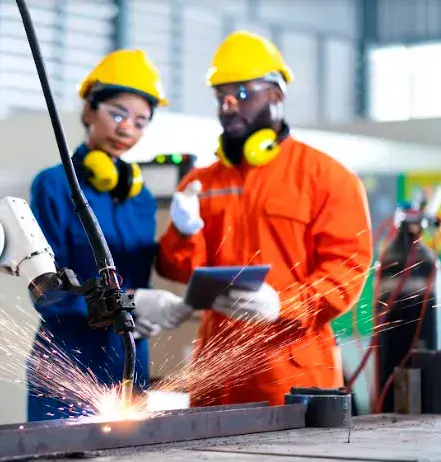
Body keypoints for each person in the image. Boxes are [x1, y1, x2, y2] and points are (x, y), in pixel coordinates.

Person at [148, 30, 373, 407]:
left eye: (242, 93)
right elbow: (179, 270)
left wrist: (284, 305)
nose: (229, 105)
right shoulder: (200, 183)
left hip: (292, 373)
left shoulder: (327, 176)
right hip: (216, 374)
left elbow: (346, 270)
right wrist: (184, 234)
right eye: (221, 96)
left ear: (277, 93)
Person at [26, 49, 191, 422]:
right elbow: (46, 292)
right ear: (88, 110)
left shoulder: (141, 198)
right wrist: (127, 302)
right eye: (117, 113)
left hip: (128, 363)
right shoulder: (54, 185)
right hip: (66, 365)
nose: (126, 129)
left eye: (140, 121)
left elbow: (143, 277)